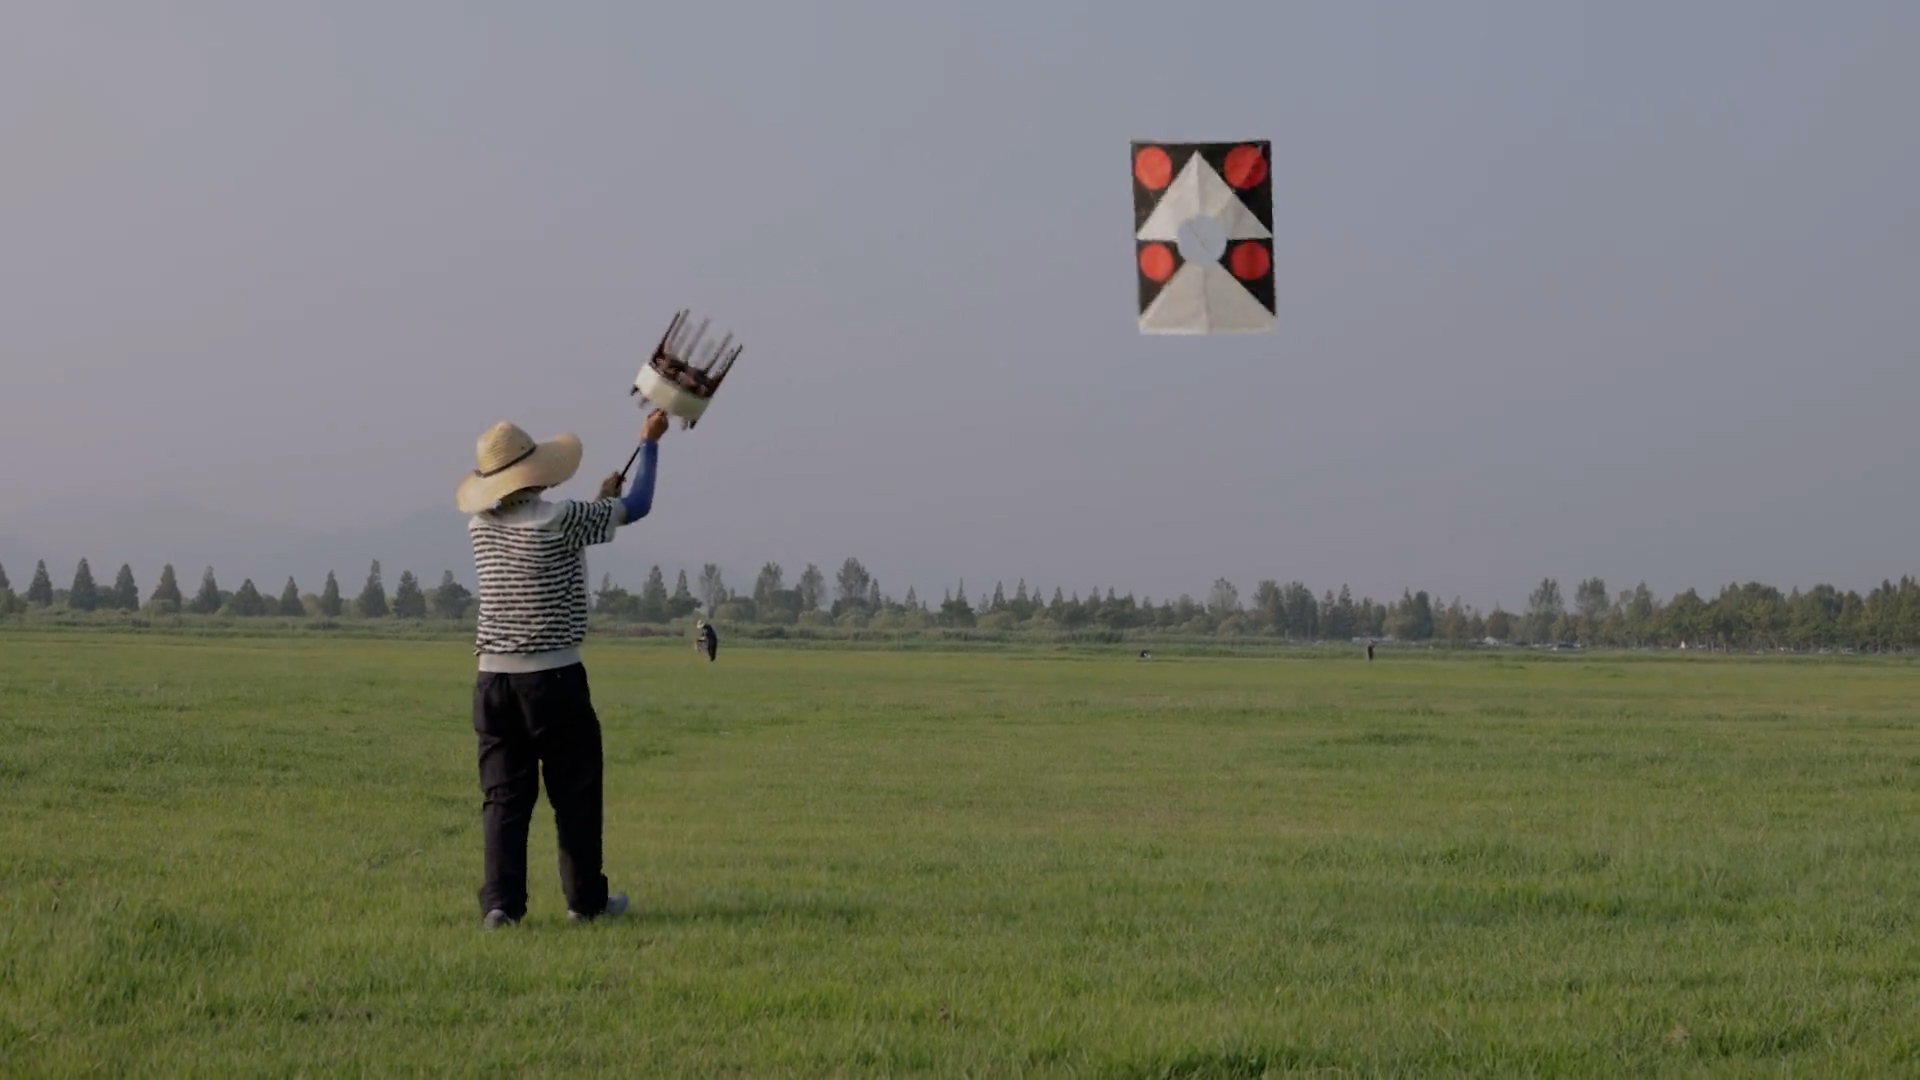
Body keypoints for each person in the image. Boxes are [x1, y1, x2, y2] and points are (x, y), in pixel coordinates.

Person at [456, 409, 670, 930]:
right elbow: (637, 506)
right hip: (553, 678)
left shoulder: (479, 527)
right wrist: (649, 442)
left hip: (492, 682)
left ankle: (500, 907)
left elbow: (557, 534)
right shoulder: (561, 519)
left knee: (504, 799)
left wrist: (600, 502)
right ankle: (584, 902)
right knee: (574, 794)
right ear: (534, 471)